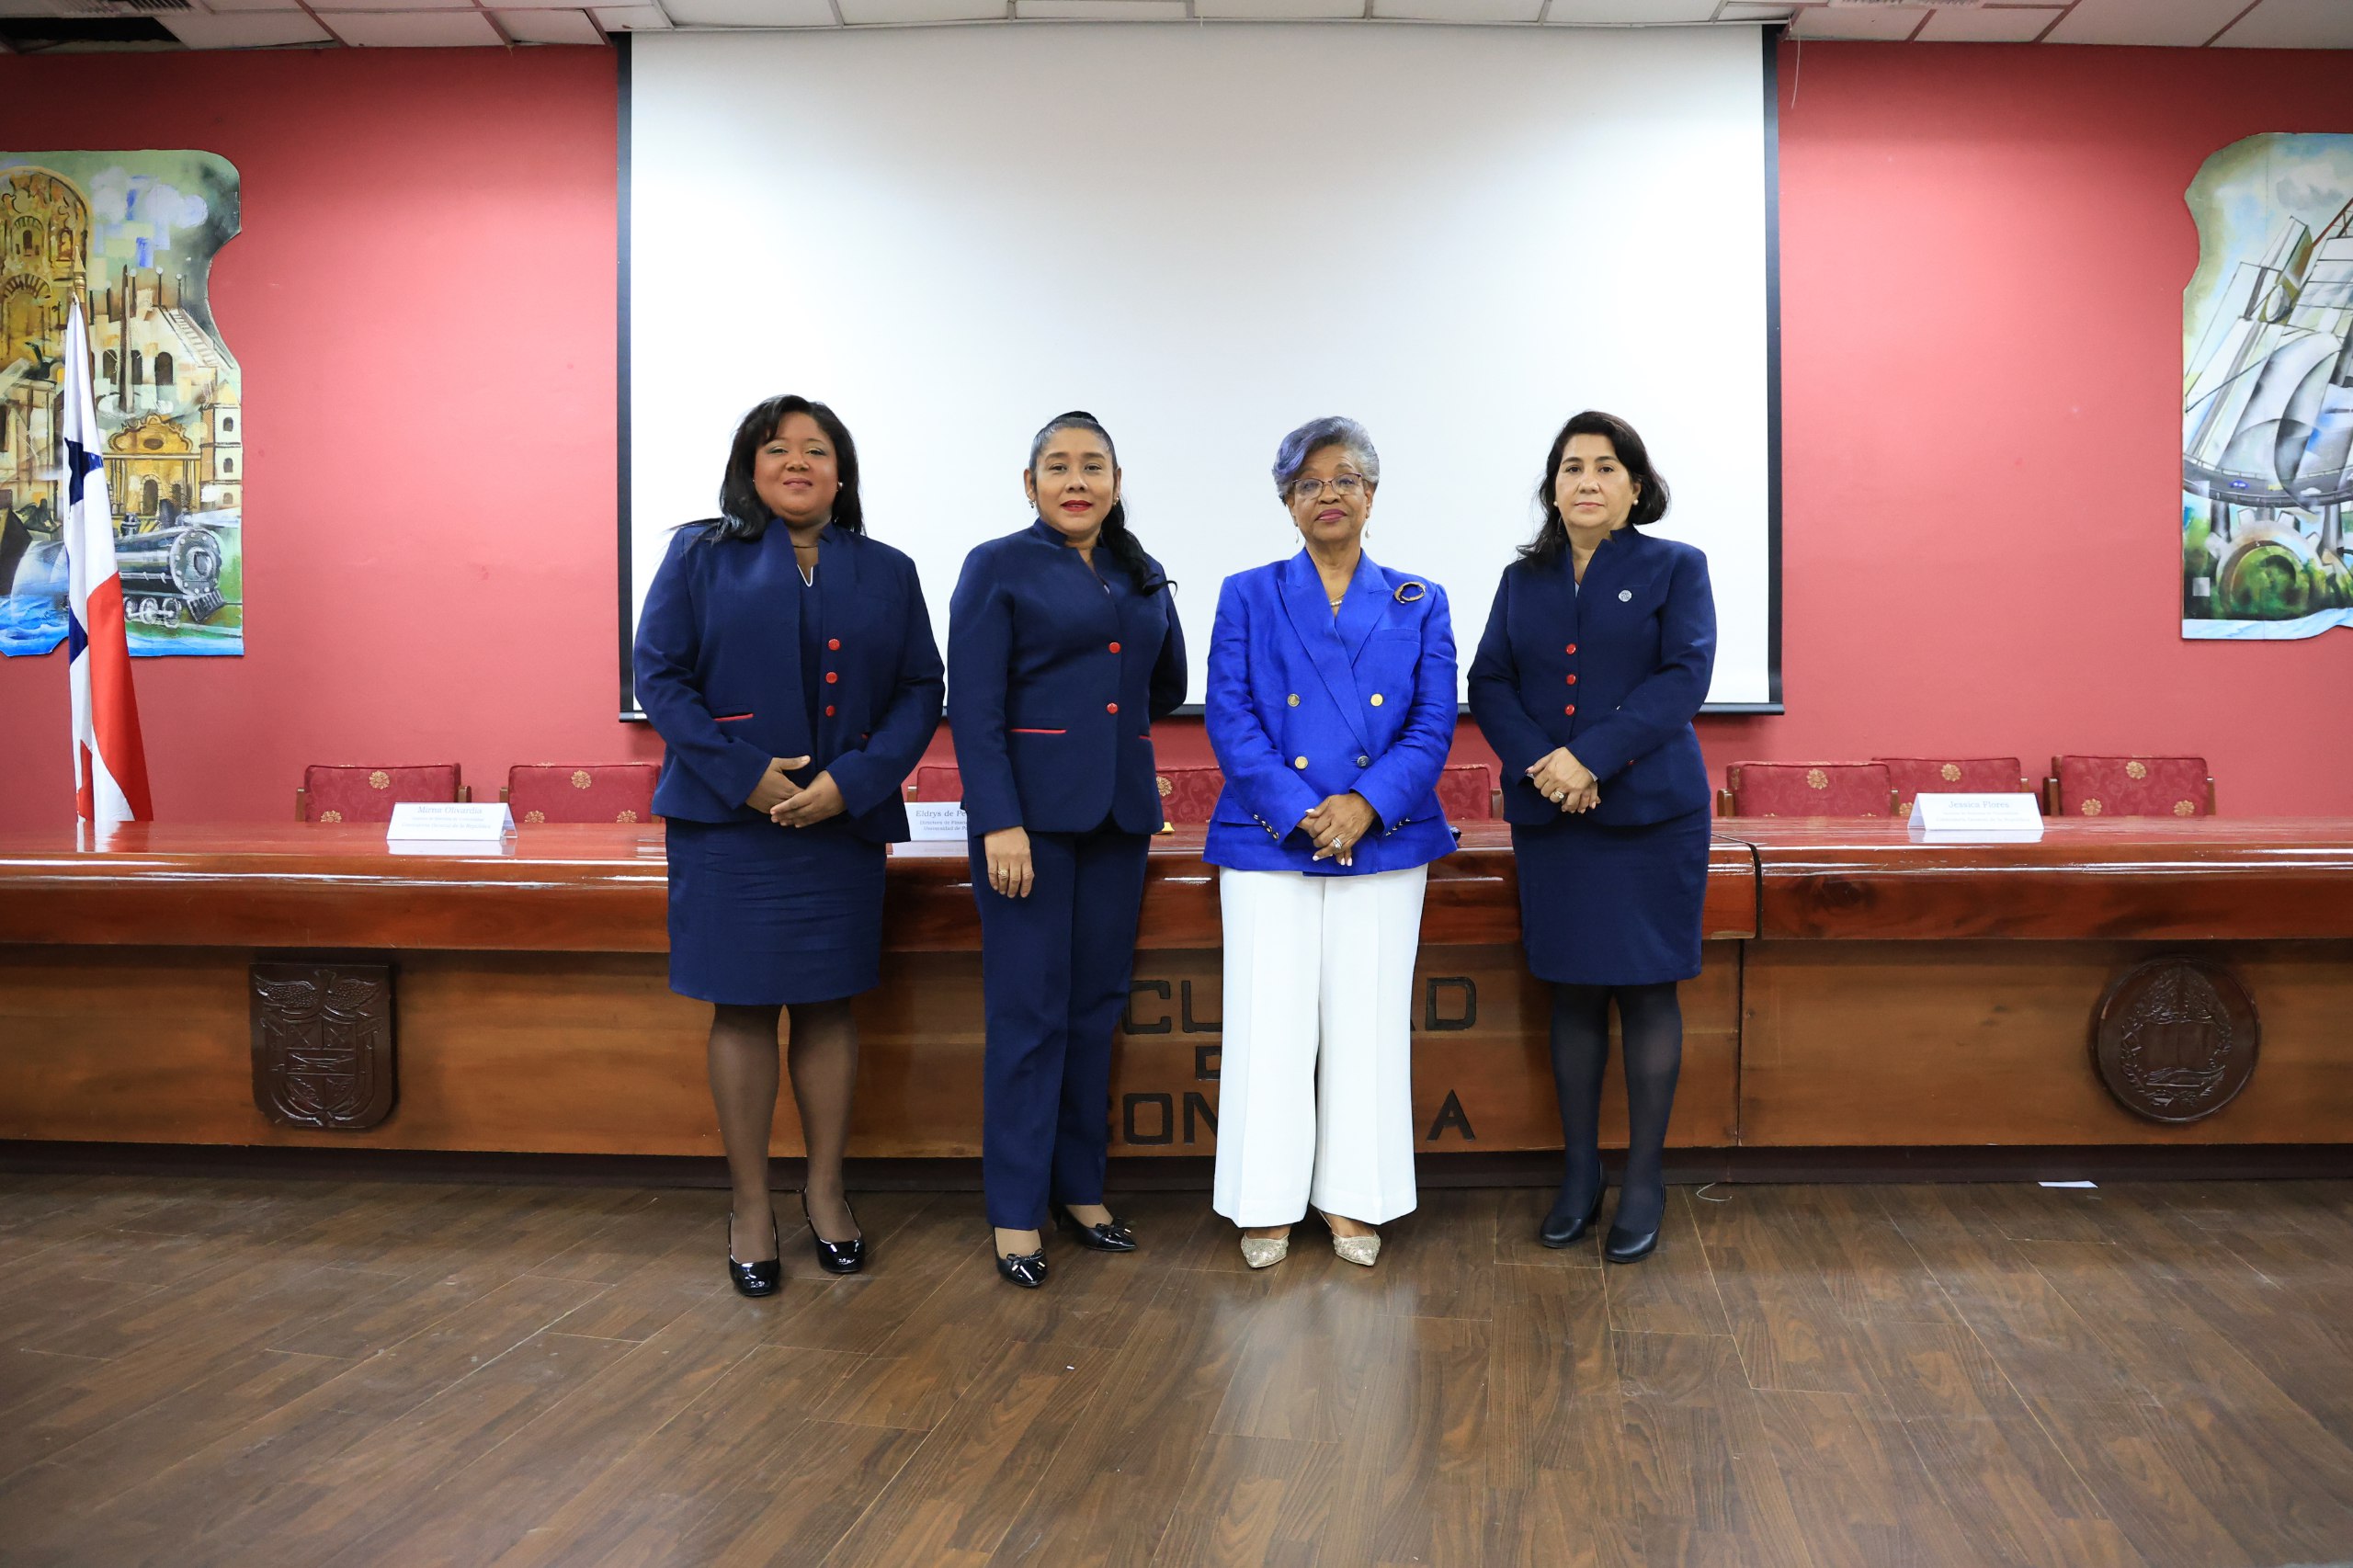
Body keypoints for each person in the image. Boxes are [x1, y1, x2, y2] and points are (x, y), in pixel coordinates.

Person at [633, 394, 944, 1297]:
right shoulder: (699, 555)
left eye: (817, 449)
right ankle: (748, 1204)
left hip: (839, 823)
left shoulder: (887, 569)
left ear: (841, 472)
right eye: (778, 449)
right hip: (728, 824)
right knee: (738, 1009)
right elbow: (659, 674)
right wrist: (746, 774)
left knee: (826, 1006)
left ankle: (826, 1190)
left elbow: (921, 687)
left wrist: (851, 781)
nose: (797, 462)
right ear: (751, 466)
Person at [1202, 416, 1456, 1270]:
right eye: (1309, 483)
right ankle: (1264, 1201)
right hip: (1272, 833)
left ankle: (1357, 1198)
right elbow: (1231, 717)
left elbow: (1430, 725)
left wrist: (1364, 805)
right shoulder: (1247, 591)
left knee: (1369, 1024)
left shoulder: (1420, 598)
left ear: (1373, 494)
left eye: (1345, 479)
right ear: (1287, 502)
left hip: (1382, 837)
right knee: (1269, 1022)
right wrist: (1308, 808)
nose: (1329, 495)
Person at [1466, 409, 1715, 1265]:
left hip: (1652, 815)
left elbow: (1684, 678)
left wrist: (1590, 759)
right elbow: (1489, 680)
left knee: (1647, 992)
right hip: (1552, 815)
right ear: (1553, 487)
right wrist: (1546, 764)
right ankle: (1580, 1177)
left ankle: (1644, 1180)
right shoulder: (1521, 580)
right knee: (1570, 992)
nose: (1587, 482)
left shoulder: (1676, 568)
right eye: (1572, 468)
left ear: (1634, 487)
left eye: (1606, 468)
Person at [948, 411, 1188, 1289]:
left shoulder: (1141, 569)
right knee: (1029, 1017)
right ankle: (1016, 1211)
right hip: (1027, 831)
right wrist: (999, 819)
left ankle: (1081, 1191)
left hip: (1119, 819)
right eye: (1058, 466)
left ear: (1117, 483)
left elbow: (1169, 685)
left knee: (1095, 1010)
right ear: (1030, 484)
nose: (1076, 480)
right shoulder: (997, 565)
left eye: (1094, 466)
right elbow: (972, 706)